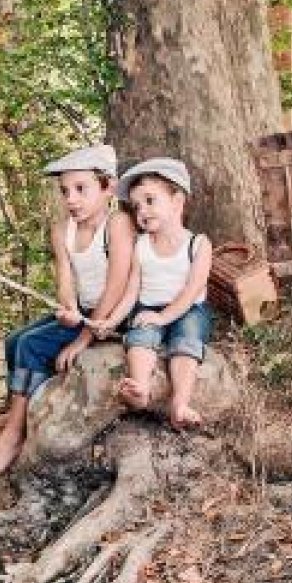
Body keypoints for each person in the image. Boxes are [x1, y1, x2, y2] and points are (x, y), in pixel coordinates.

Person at [0, 144, 135, 478]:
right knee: (17, 340)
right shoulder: (63, 231)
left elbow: (117, 286)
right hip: (82, 312)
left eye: (80, 189)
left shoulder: (118, 225)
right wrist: (68, 307)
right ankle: (21, 407)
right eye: (65, 191)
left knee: (32, 346)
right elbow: (65, 279)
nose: (71, 199)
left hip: (112, 316)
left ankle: (13, 437)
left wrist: (83, 338)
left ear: (109, 188)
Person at [89, 158, 213, 428]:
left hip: (188, 309)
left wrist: (164, 317)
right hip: (148, 307)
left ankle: (180, 404)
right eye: (136, 206)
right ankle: (141, 389)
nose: (142, 211)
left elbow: (192, 291)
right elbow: (132, 292)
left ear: (177, 201)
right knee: (139, 335)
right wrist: (111, 320)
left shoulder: (198, 244)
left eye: (149, 200)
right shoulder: (141, 245)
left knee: (186, 340)